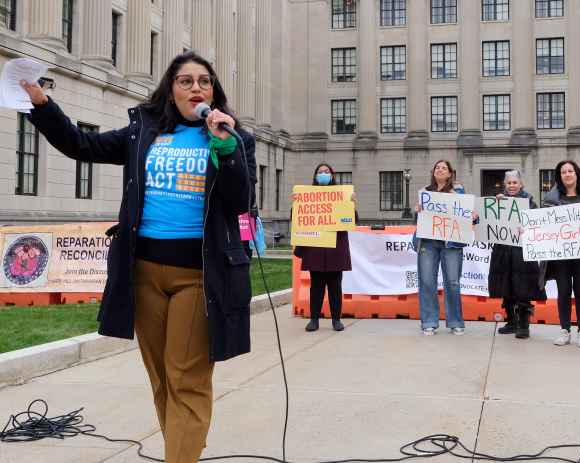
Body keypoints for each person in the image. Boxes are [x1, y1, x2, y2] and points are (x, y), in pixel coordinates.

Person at [22, 51, 256, 463]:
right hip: (144, 272)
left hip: (199, 276)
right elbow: (83, 145)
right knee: (164, 378)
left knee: (187, 378)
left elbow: (240, 201)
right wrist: (43, 106)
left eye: (204, 81)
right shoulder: (142, 132)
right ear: (170, 89)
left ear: (214, 91)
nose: (196, 88)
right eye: (186, 81)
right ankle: (181, 450)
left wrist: (226, 149)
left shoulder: (232, 138)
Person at [541, 160, 580, 348]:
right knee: (563, 292)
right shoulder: (551, 199)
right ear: (559, 177)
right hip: (561, 254)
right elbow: (542, 224)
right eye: (563, 172)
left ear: (577, 174)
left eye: (570, 171)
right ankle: (565, 330)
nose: (567, 174)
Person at [293, 163, 355, 332]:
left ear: (332, 175)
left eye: (326, 172)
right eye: (320, 172)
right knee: (316, 286)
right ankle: (314, 319)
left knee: (335, 286)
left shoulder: (341, 195)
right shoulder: (307, 195)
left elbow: (352, 220)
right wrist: (297, 205)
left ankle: (336, 319)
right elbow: (298, 218)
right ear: (315, 176)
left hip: (335, 247)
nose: (323, 174)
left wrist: (351, 205)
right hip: (316, 247)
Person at [415, 160, 474, 336]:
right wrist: (417, 211)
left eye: (444, 168)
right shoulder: (425, 193)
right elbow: (420, 220)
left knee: (453, 282)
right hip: (428, 242)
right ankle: (429, 322)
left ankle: (455, 321)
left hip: (451, 244)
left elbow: (468, 217)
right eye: (437, 168)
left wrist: (473, 216)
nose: (440, 170)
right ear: (433, 172)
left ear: (450, 174)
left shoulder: (459, 192)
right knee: (426, 282)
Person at [488, 170, 546, 339]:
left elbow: (536, 224)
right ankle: (512, 321)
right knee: (506, 285)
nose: (512, 185)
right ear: (505, 185)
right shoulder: (498, 200)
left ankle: (524, 325)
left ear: (521, 184)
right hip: (503, 250)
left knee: (523, 287)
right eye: (509, 183)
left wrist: (526, 228)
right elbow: (488, 221)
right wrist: (495, 205)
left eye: (515, 182)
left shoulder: (530, 202)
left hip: (522, 251)